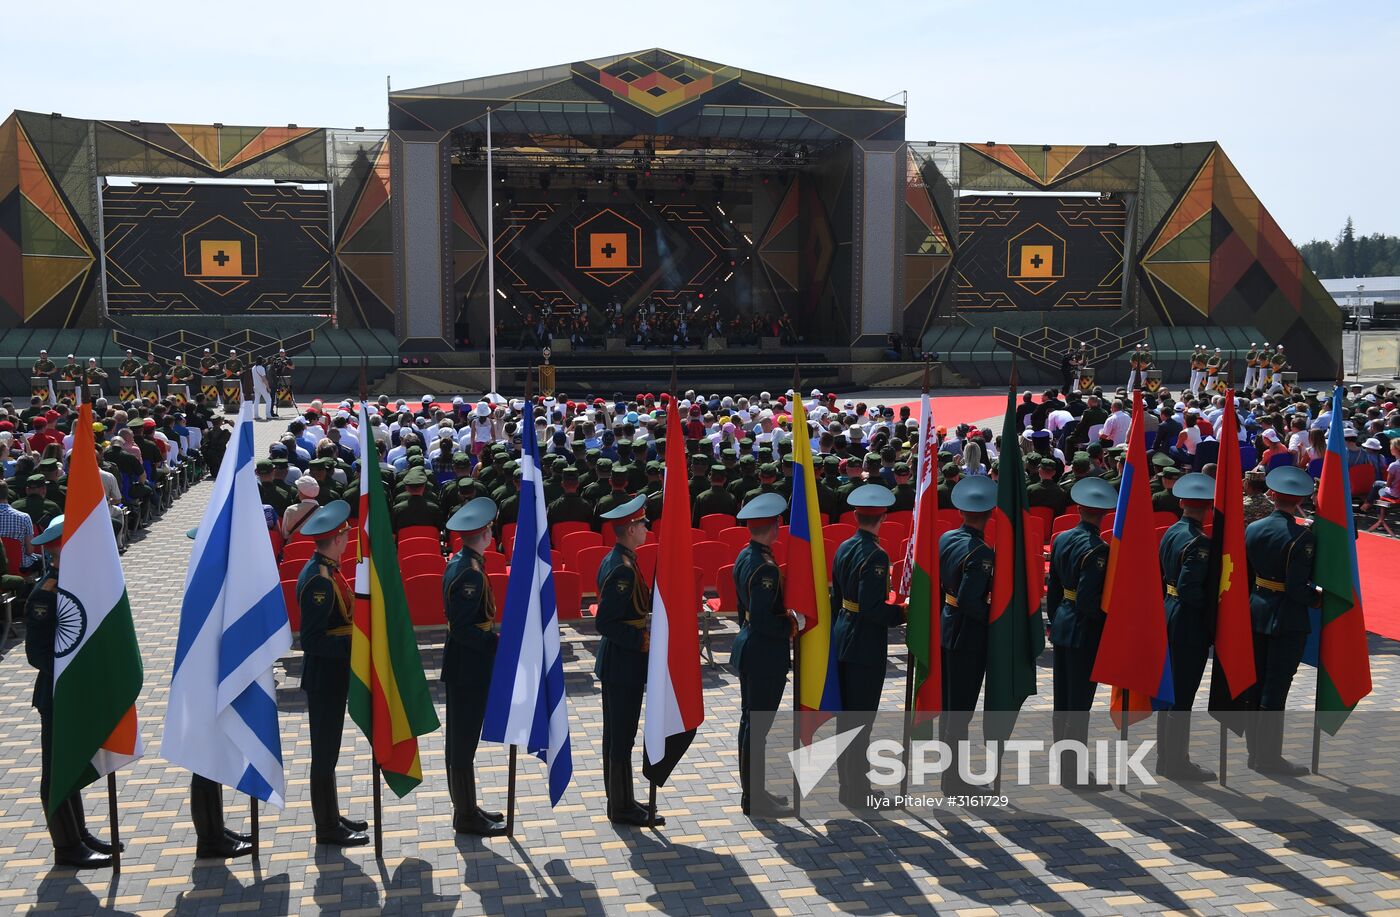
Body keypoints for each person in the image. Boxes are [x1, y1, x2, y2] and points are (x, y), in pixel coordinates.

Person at [27, 515, 120, 868]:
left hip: (76, 691)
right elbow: (36, 653)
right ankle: (66, 846)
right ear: (60, 547)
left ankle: (79, 832)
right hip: (57, 693)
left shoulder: (78, 585)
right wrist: (75, 676)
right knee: (57, 770)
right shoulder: (46, 593)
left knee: (72, 764)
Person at [295, 500, 369, 846]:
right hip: (325, 676)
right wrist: (356, 649)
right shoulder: (319, 580)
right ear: (338, 539)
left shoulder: (327, 570)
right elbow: (312, 640)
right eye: (345, 536)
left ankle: (332, 815)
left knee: (330, 753)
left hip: (333, 675)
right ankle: (326, 827)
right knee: (324, 754)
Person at [831, 483, 906, 807]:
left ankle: (848, 784)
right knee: (860, 720)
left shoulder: (844, 546)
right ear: (883, 517)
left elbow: (840, 598)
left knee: (847, 718)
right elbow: (873, 607)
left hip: (843, 633)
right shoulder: (875, 555)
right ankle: (856, 790)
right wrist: (903, 613)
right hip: (863, 642)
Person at [1243, 466, 1318, 777]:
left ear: (1272, 495)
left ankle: (1254, 752)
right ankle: (1269, 757)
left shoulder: (1253, 528)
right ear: (1300, 499)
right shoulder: (1302, 538)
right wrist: (1322, 597)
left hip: (1255, 610)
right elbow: (1299, 589)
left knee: (1256, 684)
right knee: (1276, 690)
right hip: (1285, 618)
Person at [441, 498, 509, 836]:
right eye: (490, 530)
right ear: (483, 533)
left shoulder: (466, 563)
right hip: (468, 665)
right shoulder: (468, 571)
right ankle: (465, 815)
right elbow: (467, 628)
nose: (492, 535)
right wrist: (498, 644)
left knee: (461, 742)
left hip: (465, 663)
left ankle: (466, 807)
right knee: (462, 743)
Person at [594, 494, 660, 826]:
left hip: (622, 662)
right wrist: (640, 639)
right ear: (631, 528)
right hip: (623, 662)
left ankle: (621, 800)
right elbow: (604, 622)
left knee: (618, 735)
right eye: (642, 525)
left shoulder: (623, 559)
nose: (646, 529)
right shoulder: (622, 568)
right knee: (621, 736)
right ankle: (621, 807)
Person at [1046, 478, 1115, 790]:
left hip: (1062, 622)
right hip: (1083, 630)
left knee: (1063, 699)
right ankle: (1073, 771)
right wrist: (1108, 623)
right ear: (1102, 514)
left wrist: (1054, 619)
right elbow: (1089, 600)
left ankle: (1063, 763)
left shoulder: (1060, 539)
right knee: (1079, 704)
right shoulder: (1098, 550)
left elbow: (1055, 589)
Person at [729, 493, 795, 817]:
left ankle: (752, 793)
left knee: (750, 724)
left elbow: (746, 610)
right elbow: (766, 617)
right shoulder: (765, 567)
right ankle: (754, 798)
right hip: (764, 652)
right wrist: (792, 626)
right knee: (757, 728)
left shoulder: (745, 555)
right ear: (776, 525)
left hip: (749, 645)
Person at [1155, 472, 1218, 781]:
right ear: (1207, 507)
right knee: (1182, 696)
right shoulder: (1199, 542)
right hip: (1187, 621)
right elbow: (1190, 587)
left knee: (1171, 693)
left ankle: (1165, 757)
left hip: (1168, 611)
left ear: (1181, 503)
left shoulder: (1170, 532)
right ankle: (1176, 761)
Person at [938, 476, 996, 795]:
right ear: (988, 514)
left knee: (950, 708)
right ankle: (954, 780)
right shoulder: (981, 553)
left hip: (947, 626)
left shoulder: (946, 538)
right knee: (960, 711)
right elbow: (969, 599)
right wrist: (995, 622)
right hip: (967, 635)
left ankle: (950, 774)